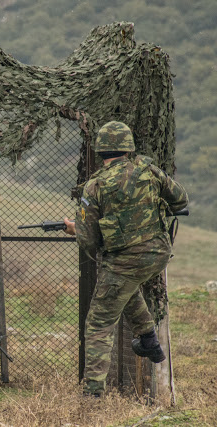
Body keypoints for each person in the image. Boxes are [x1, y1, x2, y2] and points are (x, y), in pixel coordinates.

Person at [63, 121, 188, 397]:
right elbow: (181, 200)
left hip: (125, 262)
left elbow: (89, 241)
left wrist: (75, 228)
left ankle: (92, 394)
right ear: (128, 147)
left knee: (98, 323)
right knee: (123, 287)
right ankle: (148, 340)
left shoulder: (95, 186)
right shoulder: (149, 170)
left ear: (101, 150)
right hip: (158, 254)